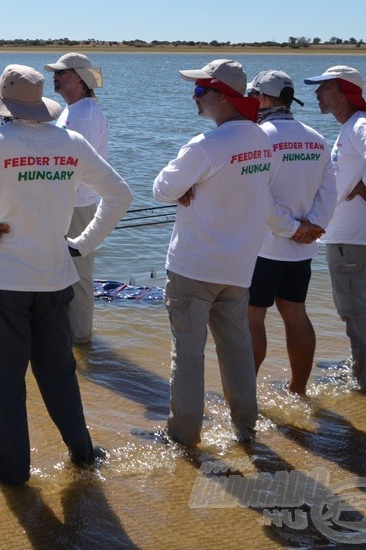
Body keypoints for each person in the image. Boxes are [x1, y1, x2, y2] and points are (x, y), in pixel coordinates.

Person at [0, 64, 131, 485]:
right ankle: (84, 456)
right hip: (56, 279)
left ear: (0, 106)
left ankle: (14, 474)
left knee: (6, 382)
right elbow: (120, 195)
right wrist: (83, 243)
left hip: (5, 282)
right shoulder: (71, 141)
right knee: (59, 373)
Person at [152, 59, 271, 446]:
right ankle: (245, 428)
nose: (195, 97)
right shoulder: (261, 140)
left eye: (202, 91)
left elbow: (161, 189)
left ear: (223, 97)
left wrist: (190, 187)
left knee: (187, 354)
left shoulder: (206, 145)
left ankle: (183, 436)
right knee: (236, 349)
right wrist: (191, 186)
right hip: (239, 267)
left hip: (194, 265)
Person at [303, 65, 366, 392]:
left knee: (353, 310)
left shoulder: (360, 125)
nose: (317, 93)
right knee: (361, 305)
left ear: (343, 92)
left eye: (324, 88)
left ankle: (365, 384)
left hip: (352, 237)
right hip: (351, 236)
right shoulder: (352, 127)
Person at [246, 70, 336, 396]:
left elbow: (258, 196)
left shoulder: (258, 137)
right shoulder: (317, 137)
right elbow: (330, 192)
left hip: (265, 248)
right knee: (296, 313)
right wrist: (312, 227)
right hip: (303, 248)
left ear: (260, 97)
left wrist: (291, 228)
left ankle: (244, 399)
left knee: (252, 318)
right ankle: (298, 390)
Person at [43, 52, 108, 344]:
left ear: (79, 79)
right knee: (61, 272)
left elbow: (78, 166)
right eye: (55, 72)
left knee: (79, 277)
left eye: (62, 72)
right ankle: (66, 336)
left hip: (79, 205)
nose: (55, 77)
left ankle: (81, 340)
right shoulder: (72, 110)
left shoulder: (87, 114)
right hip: (65, 205)